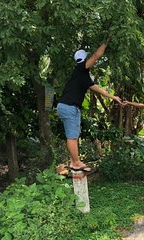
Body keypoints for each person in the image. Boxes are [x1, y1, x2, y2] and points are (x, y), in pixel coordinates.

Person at [57, 42, 122, 171]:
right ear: (84, 60)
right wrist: (106, 41)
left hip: (69, 107)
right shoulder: (81, 68)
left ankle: (73, 161)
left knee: (75, 134)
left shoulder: (83, 76)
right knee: (72, 136)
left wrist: (113, 97)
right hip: (69, 107)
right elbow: (97, 55)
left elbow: (97, 88)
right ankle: (76, 162)